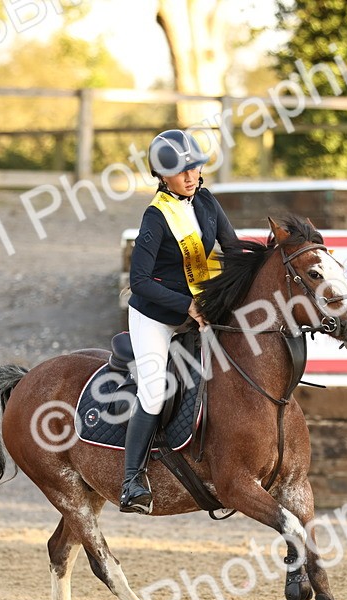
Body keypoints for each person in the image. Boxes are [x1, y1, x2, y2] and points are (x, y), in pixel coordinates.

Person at [120, 129, 238, 514]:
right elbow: (139, 281)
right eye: (181, 171)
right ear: (162, 176)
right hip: (155, 316)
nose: (191, 176)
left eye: (195, 167)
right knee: (153, 391)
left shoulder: (206, 202)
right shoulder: (155, 215)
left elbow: (234, 250)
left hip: (198, 307)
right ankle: (131, 480)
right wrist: (187, 306)